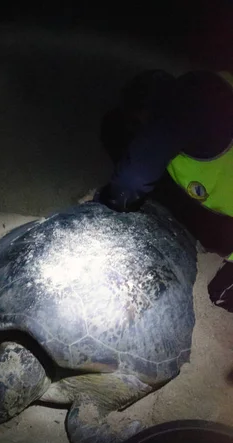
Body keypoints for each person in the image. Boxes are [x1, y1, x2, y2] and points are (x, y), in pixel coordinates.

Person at [89, 69, 233, 313]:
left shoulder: (181, 112)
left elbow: (131, 181)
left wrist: (106, 207)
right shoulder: (207, 84)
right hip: (212, 196)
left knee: (222, 294)